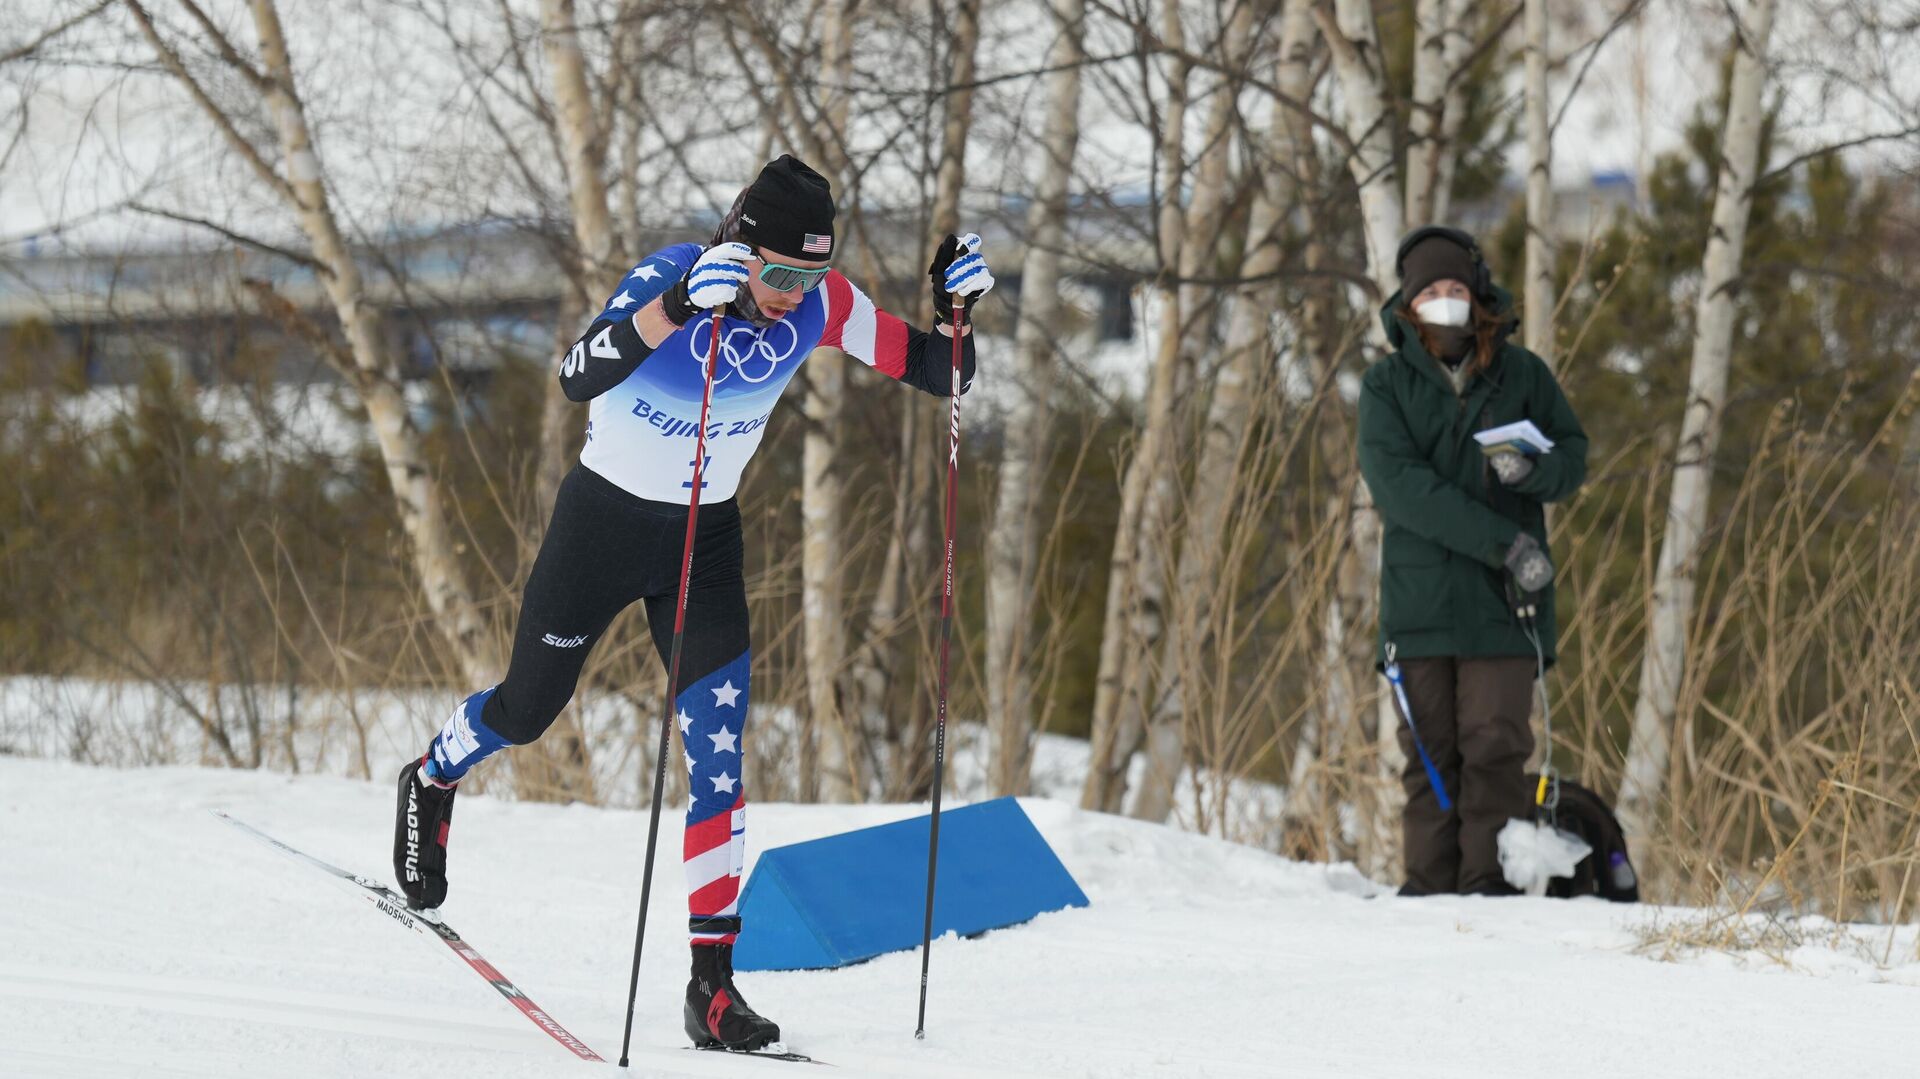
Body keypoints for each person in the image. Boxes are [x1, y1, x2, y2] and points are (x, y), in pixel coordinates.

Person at [391, 154, 994, 1050]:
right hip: (600, 527)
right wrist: (672, 308)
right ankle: (435, 773)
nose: (795, 294)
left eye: (811, 275)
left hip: (701, 542)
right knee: (526, 711)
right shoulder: (674, 275)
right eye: (781, 272)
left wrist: (959, 313)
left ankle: (712, 986)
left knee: (719, 756)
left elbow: (942, 374)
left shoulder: (821, 306)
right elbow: (575, 374)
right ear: (740, 249)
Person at [1356, 226, 1588, 897]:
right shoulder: (1385, 387)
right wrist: (1505, 542)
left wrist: (1535, 471)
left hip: (1505, 605)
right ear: (1409, 302)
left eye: (1457, 288)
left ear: (1478, 293)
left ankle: (1491, 892)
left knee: (1495, 750)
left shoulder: (1524, 375)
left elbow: (1573, 458)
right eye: (1431, 290)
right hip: (1421, 605)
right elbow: (1403, 491)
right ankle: (1427, 892)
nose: (1446, 300)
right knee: (1431, 761)